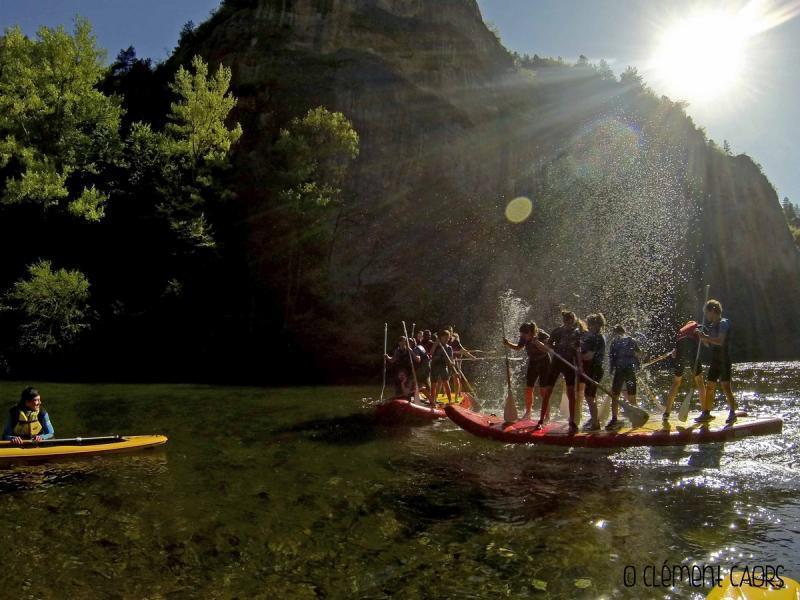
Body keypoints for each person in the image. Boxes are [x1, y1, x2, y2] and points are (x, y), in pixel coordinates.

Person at [538, 310, 582, 432]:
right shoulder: (557, 331)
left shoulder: (576, 333)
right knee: (548, 392)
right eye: (567, 321)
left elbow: (578, 350)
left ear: (573, 321)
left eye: (571, 321)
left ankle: (572, 421)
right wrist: (553, 348)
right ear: (564, 321)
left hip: (569, 365)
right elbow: (549, 345)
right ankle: (541, 419)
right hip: (556, 363)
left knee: (571, 393)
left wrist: (580, 367)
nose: (569, 324)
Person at [696, 300, 737, 424]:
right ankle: (706, 413)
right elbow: (709, 344)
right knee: (710, 386)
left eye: (707, 313)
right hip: (715, 359)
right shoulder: (712, 326)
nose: (706, 316)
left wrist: (705, 337)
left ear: (713, 311)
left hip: (724, 359)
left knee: (726, 387)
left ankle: (732, 413)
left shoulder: (723, 323)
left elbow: (720, 341)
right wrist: (702, 337)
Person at [503, 322, 551, 421]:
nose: (523, 337)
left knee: (543, 391)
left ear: (530, 332)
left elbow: (547, 349)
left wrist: (537, 342)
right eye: (522, 335)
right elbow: (518, 347)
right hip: (533, 362)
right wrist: (508, 344)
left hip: (544, 362)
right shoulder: (524, 337)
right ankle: (528, 412)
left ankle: (547, 414)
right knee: (528, 388)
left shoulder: (542, 335)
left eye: (524, 335)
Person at [662, 320, 706, 421]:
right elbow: (702, 336)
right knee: (699, 381)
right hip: (691, 347)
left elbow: (676, 351)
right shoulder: (696, 326)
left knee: (676, 382)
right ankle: (705, 411)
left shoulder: (681, 332)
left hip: (680, 347)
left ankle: (666, 413)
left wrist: (675, 351)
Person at [607, 324, 643, 429]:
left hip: (619, 371)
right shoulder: (632, 340)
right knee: (632, 396)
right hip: (630, 371)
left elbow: (612, 359)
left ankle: (614, 419)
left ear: (615, 333)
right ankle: (636, 418)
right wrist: (639, 365)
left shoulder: (614, 342)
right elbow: (639, 354)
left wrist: (611, 372)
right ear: (624, 331)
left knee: (615, 395)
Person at [579, 314, 606, 431]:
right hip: (591, 369)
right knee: (589, 396)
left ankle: (595, 423)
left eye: (589, 325)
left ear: (595, 325)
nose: (588, 327)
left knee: (589, 397)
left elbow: (589, 356)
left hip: (595, 369)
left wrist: (576, 354)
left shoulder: (597, 338)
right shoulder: (593, 336)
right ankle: (594, 419)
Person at [429, 330, 455, 407]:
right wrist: (436, 344)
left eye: (448, 338)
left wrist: (452, 363)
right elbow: (430, 354)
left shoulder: (449, 348)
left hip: (443, 367)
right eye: (445, 338)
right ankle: (433, 402)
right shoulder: (436, 345)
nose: (447, 339)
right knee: (434, 385)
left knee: (446, 383)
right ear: (441, 338)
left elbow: (451, 360)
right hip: (435, 366)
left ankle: (450, 401)